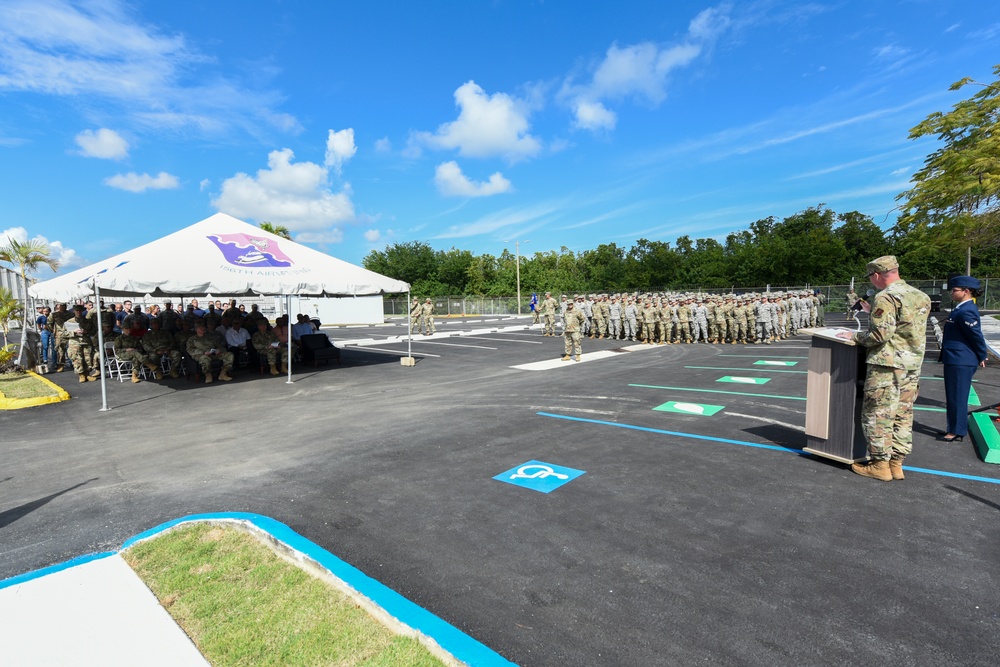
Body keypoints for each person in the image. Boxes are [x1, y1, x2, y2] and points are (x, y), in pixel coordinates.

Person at [838, 255, 931, 481]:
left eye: (871, 277)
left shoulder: (886, 296)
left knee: (878, 414)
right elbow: (903, 327)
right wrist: (872, 311)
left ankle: (880, 465)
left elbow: (880, 335)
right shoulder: (920, 296)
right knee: (903, 414)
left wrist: (855, 335)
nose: (872, 281)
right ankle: (896, 464)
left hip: (887, 366)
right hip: (911, 366)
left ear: (877, 274)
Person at [939, 276, 989, 442]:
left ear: (966, 291)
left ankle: (956, 431)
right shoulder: (961, 308)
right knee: (953, 396)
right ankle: (952, 427)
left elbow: (976, 336)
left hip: (961, 360)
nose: (952, 293)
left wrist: (982, 355)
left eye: (955, 290)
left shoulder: (966, 310)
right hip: (955, 358)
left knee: (958, 396)